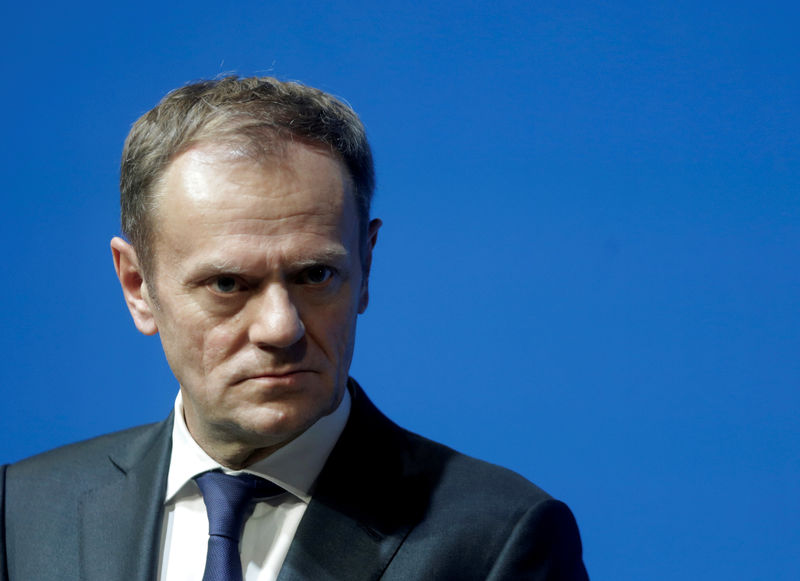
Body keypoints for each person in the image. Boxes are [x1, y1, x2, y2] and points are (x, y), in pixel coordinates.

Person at [0, 76, 589, 580]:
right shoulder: (21, 510)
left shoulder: (499, 539)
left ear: (365, 269)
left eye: (315, 275)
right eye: (228, 284)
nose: (281, 329)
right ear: (138, 288)